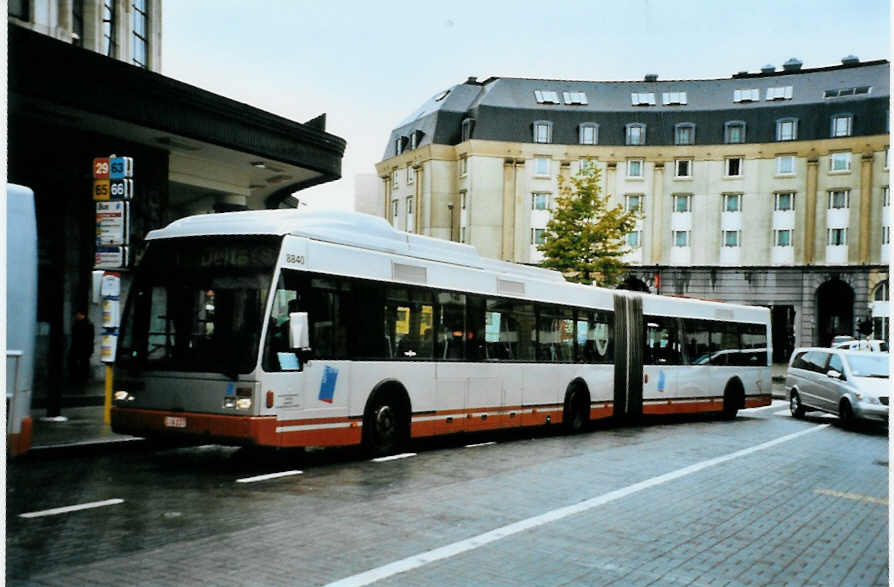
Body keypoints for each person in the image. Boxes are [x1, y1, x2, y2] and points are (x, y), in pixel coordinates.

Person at [70, 310, 94, 383]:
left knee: (81, 363)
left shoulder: (80, 324)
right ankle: (83, 377)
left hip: (80, 347)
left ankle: (80, 377)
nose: (76, 316)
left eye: (77, 314)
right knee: (84, 363)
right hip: (85, 348)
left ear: (81, 315)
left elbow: (76, 336)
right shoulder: (89, 324)